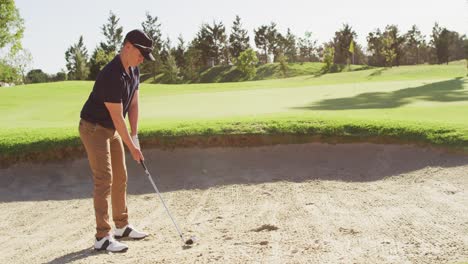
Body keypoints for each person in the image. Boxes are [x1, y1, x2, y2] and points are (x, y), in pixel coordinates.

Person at [78, 29, 155, 252]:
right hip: (93, 128)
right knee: (104, 179)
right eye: (140, 53)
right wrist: (132, 149)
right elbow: (116, 117)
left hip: (111, 128)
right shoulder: (111, 74)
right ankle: (102, 237)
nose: (142, 59)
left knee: (121, 176)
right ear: (128, 46)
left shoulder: (134, 70)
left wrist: (135, 136)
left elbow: (133, 104)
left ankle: (121, 226)